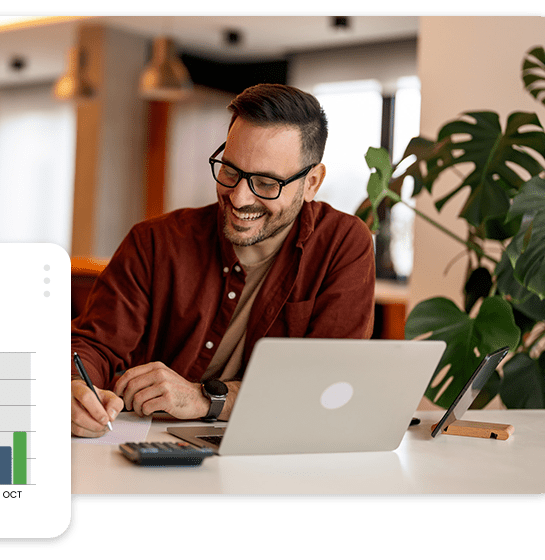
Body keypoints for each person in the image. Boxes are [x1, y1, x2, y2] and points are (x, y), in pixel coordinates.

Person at [71, 83, 375, 437]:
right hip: (152, 449)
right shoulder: (154, 242)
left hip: (276, 451)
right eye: (230, 171)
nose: (239, 197)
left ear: (311, 183)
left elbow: (328, 386)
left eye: (265, 183)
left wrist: (206, 399)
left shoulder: (343, 244)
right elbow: (93, 346)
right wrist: (74, 387)